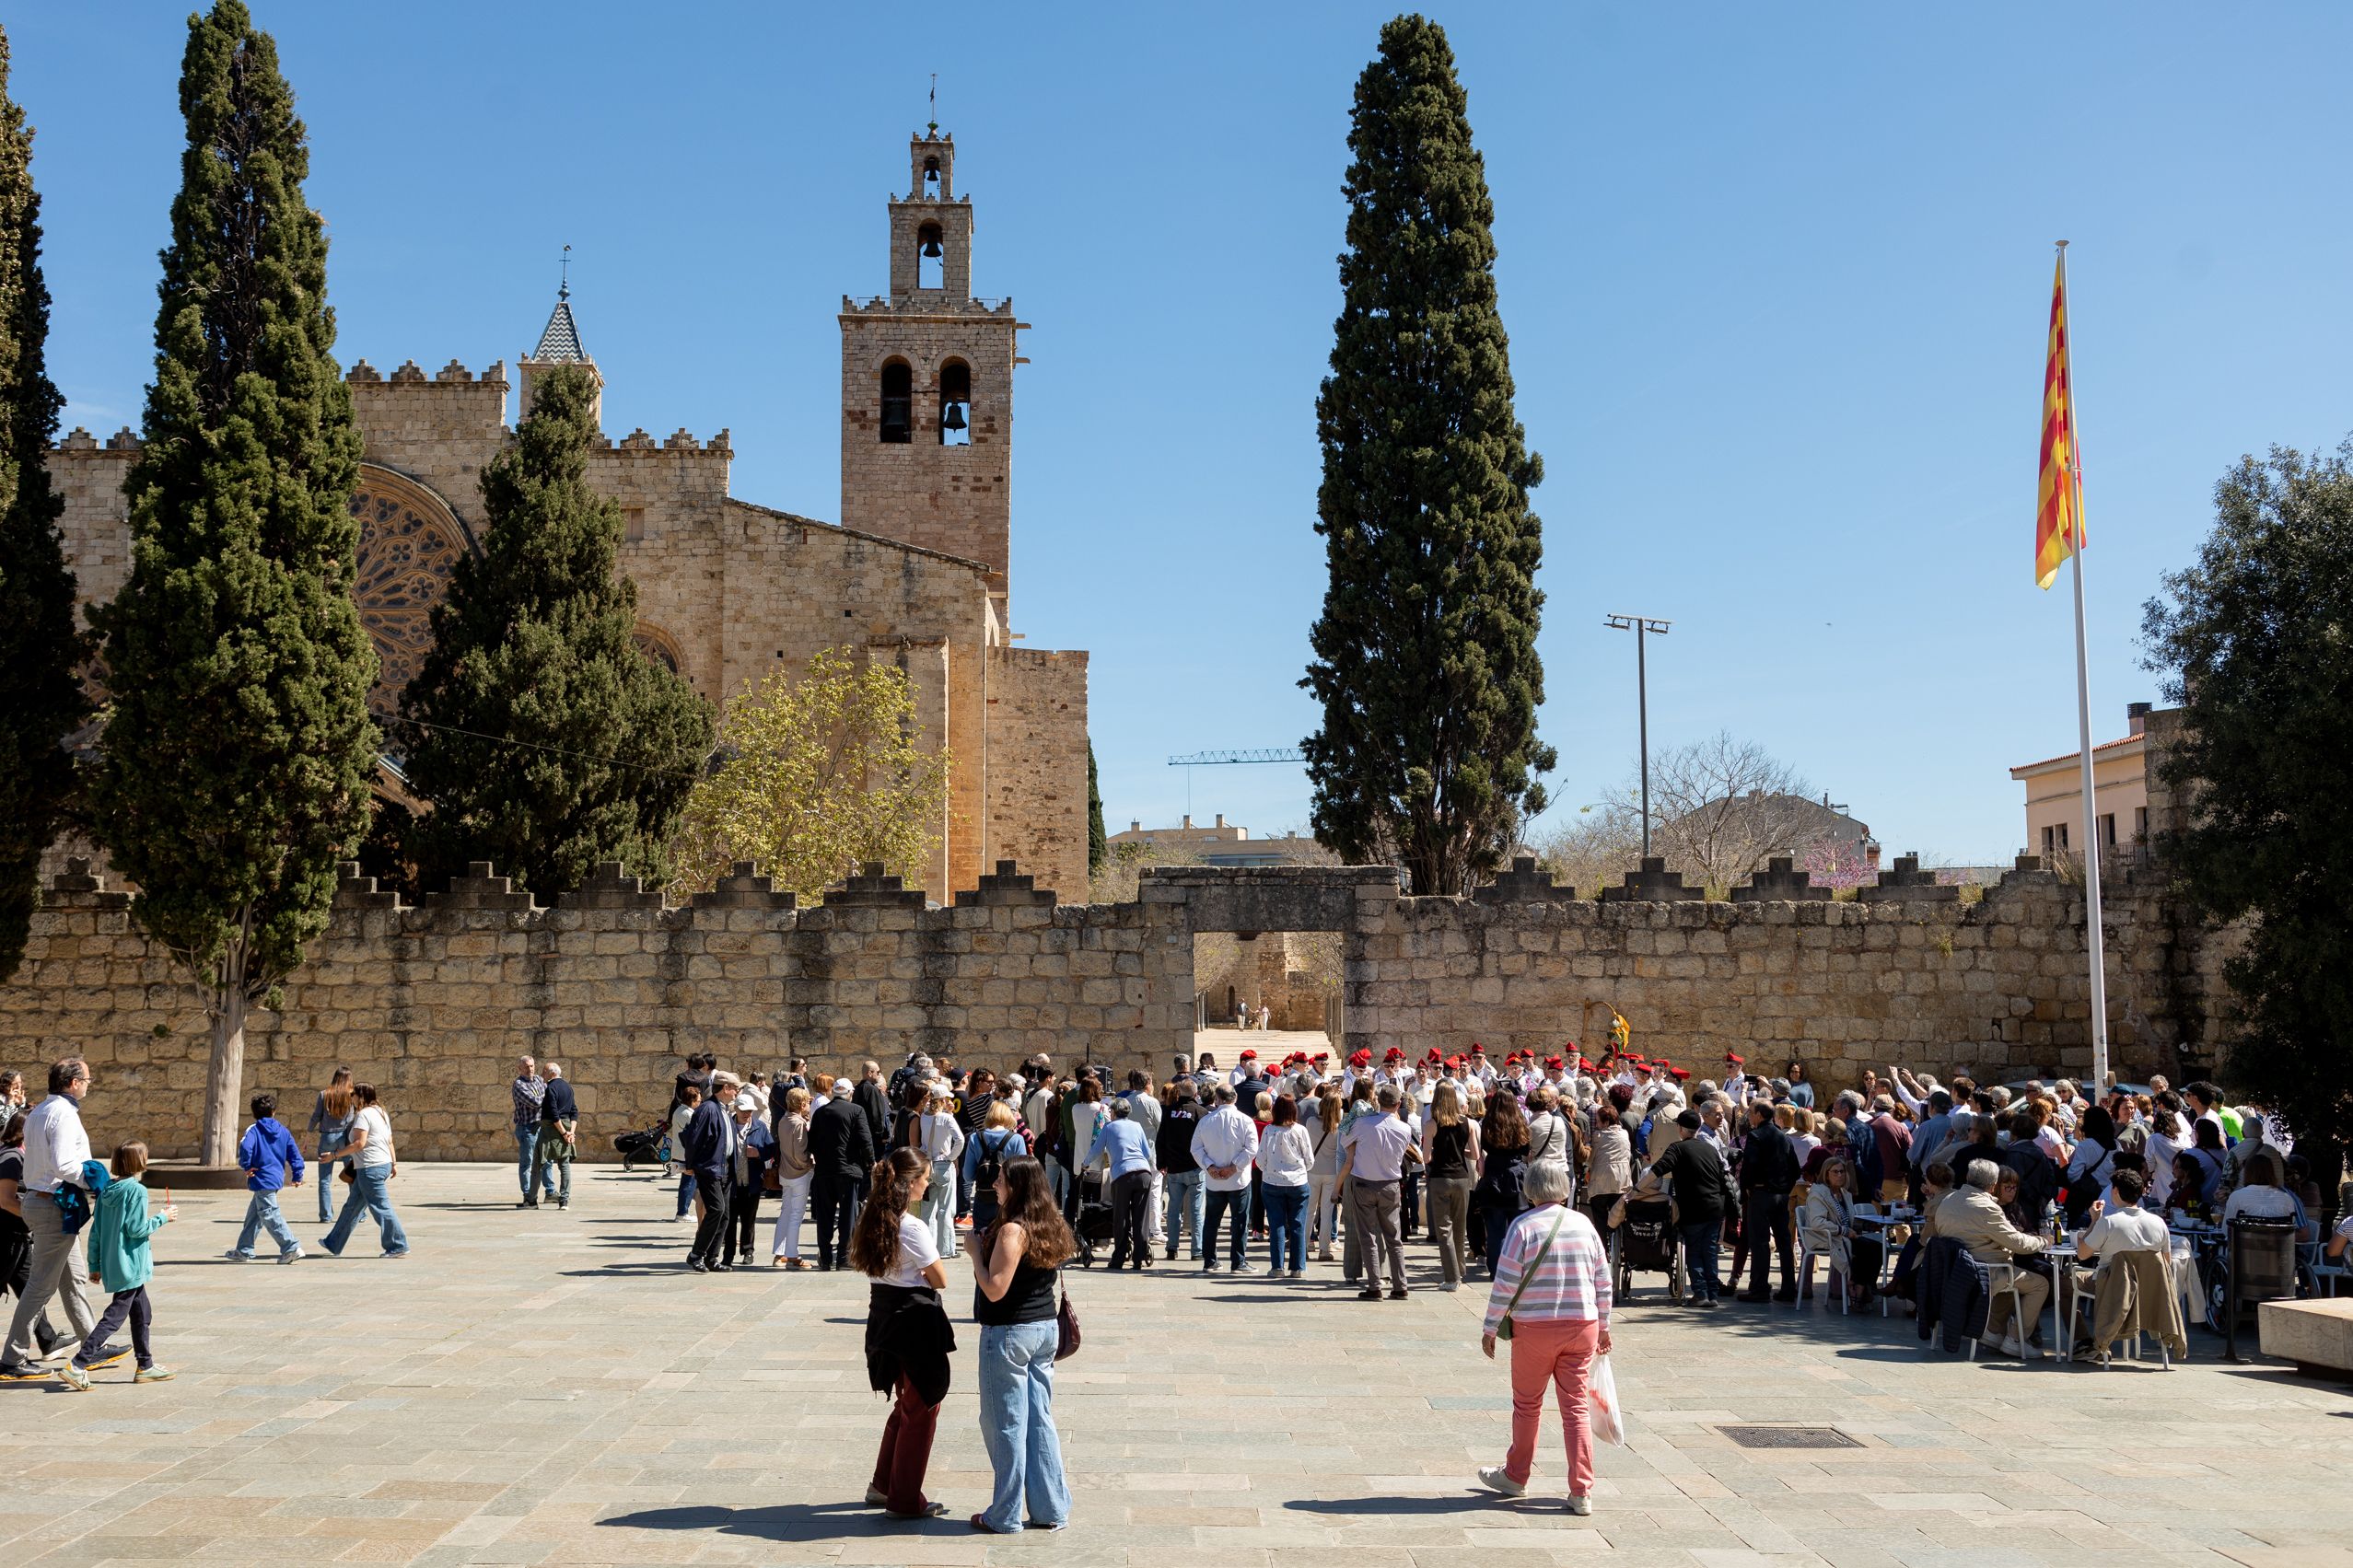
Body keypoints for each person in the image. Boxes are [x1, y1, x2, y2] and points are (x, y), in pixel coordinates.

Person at [1474, 1159, 1613, 1516]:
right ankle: (1581, 1490)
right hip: (1582, 1326)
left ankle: (1517, 1475)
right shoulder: (1584, 1224)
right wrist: (1605, 1324)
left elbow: (1505, 1282)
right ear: (1564, 1188)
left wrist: (1490, 1327)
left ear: (1530, 1189)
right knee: (1576, 1409)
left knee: (1527, 1404)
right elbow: (1603, 1279)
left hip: (1534, 1328)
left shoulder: (1523, 1226)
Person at [966, 1156, 1075, 1533]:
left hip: (1010, 1333)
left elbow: (995, 1289)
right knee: (1040, 1420)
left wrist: (976, 1256)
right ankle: (1050, 1509)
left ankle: (1005, 1513)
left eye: (1000, 1179)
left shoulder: (1013, 1230)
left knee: (1004, 1424)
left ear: (1016, 1186)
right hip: (1044, 1330)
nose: (995, 1185)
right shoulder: (1051, 1222)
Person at [854, 1148, 952, 1520]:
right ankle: (905, 1496)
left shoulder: (873, 1217)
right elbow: (939, 1277)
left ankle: (883, 1484)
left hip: (883, 1316)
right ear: (910, 1183)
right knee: (924, 1405)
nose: (928, 1182)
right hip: (914, 1323)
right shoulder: (910, 1226)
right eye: (925, 1177)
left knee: (907, 1403)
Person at [3, 1059, 98, 1379]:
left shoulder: (41, 1110)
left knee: (74, 1278)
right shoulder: (63, 1114)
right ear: (72, 1082)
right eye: (86, 1078)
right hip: (53, 1203)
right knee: (40, 1286)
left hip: (43, 1201)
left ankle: (92, 1345)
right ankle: (13, 1358)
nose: (89, 1083)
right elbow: (65, 1165)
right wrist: (96, 1182)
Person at [57, 1142, 177, 1390]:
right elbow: (137, 1229)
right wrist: (163, 1217)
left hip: (114, 1263)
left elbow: (96, 1232)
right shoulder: (137, 1191)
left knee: (142, 1312)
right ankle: (78, 1364)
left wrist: (95, 1264)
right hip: (131, 1264)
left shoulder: (107, 1190)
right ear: (138, 1162)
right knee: (114, 1316)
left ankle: (145, 1365)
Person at [1937, 1159, 2050, 1357]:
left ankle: (1994, 1331)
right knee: (2040, 1284)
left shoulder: (1947, 1200)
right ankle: (2016, 1340)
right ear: (1993, 1185)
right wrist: (2044, 1242)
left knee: (2012, 1275)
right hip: (1983, 1273)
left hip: (1953, 1272)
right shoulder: (1987, 1208)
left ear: (1967, 1177)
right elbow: (2019, 1244)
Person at [1641, 1108, 1730, 1306]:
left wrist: (1637, 1188)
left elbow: (1658, 1169)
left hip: (1692, 1208)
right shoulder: (1710, 1148)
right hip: (1714, 1206)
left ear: (1680, 1128)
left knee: (1694, 1249)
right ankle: (1712, 1294)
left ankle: (1700, 1293)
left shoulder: (1677, 1148)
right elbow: (1722, 1176)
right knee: (1709, 1250)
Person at [1340, 1085, 1415, 1301]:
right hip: (1390, 1185)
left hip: (1365, 1183)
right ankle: (1400, 1284)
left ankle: (1374, 1285)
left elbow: (1346, 1142)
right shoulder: (1403, 1128)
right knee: (1394, 1237)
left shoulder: (1363, 1124)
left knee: (1368, 1237)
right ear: (1398, 1104)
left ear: (1378, 1102)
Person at [0, 1110, 64, 1363]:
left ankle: (48, 1340)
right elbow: (5, 1200)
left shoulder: (19, 1155)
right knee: (32, 1288)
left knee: (31, 1288)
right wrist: (36, 1217)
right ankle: (16, 1358)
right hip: (7, 1238)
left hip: (20, 1238)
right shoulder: (12, 1157)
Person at [320, 1085, 409, 1259]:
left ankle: (398, 1245)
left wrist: (334, 1155)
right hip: (380, 1164)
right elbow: (389, 1140)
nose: (351, 1099)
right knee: (352, 1207)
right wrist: (394, 1163)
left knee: (381, 1207)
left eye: (353, 1095)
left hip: (370, 1167)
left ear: (360, 1097)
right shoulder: (381, 1113)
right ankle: (334, 1242)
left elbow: (359, 1143)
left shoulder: (363, 1114)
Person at [226, 1093, 305, 1263]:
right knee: (255, 1215)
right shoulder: (284, 1130)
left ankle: (290, 1247)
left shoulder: (253, 1130)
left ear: (254, 1113)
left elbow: (246, 1148)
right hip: (276, 1178)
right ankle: (244, 1250)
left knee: (269, 1214)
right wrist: (298, 1174)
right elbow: (295, 1154)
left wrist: (246, 1165)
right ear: (274, 1111)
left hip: (262, 1178)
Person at [811, 1079, 879, 1271]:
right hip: (849, 1171)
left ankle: (825, 1257)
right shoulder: (856, 1111)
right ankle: (843, 1257)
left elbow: (812, 1141)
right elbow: (865, 1140)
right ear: (849, 1093)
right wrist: (870, 1162)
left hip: (824, 1171)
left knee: (825, 1215)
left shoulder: (820, 1112)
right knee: (848, 1215)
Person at [1735, 1101, 1799, 1303]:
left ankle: (1760, 1288)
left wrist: (1746, 1189)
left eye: (1751, 1113)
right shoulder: (1783, 1137)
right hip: (1781, 1195)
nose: (1749, 1117)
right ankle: (1789, 1287)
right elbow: (1795, 1169)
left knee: (1760, 1242)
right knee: (1784, 1241)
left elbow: (1749, 1167)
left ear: (1760, 1115)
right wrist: (1784, 1187)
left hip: (1761, 1194)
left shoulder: (1755, 1136)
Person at [1191, 1085, 1259, 1273]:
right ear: (1235, 1098)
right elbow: (1252, 1149)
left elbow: (1195, 1148)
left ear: (1217, 1100)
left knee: (1212, 1221)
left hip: (1215, 1180)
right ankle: (1238, 1261)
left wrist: (1210, 1166)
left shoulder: (1206, 1121)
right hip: (1238, 1179)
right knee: (1239, 1221)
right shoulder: (1245, 1121)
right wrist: (1234, 1167)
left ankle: (1210, 1260)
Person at [680, 1073, 741, 1272]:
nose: (737, 1093)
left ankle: (712, 1258)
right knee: (716, 1209)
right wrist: (691, 1164)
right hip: (709, 1169)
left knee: (724, 1215)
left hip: (724, 1170)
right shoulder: (708, 1109)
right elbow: (694, 1139)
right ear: (725, 1088)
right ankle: (696, 1254)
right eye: (735, 1088)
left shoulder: (724, 1110)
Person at [1422, 1081, 1481, 1291]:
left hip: (1440, 1177)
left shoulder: (1431, 1124)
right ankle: (1460, 1271)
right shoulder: (1469, 1123)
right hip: (1462, 1178)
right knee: (1459, 1227)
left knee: (1443, 1229)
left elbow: (1426, 1157)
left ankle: (1451, 1276)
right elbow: (1474, 1155)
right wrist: (1458, 1152)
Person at [1091, 1097, 1155, 1271]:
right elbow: (1147, 1152)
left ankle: (1119, 1258)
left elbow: (1096, 1149)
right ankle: (1139, 1258)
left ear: (1113, 1112)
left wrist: (1084, 1164)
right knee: (1141, 1218)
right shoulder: (1137, 1126)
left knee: (1121, 1218)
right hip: (1143, 1173)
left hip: (1122, 1175)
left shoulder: (1109, 1127)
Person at [1255, 1095, 1314, 1279]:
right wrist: (1299, 1170)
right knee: (1298, 1224)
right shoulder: (1300, 1130)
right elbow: (1309, 1160)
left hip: (1273, 1182)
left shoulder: (1269, 1131)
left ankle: (1277, 1266)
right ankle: (1297, 1267)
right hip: (1297, 1182)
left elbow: (1260, 1159)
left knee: (1276, 1224)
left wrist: (1270, 1170)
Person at [1475, 1091, 1532, 1279]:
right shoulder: (1520, 1123)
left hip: (1493, 1176)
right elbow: (1526, 1149)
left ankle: (1496, 1270)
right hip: (1515, 1175)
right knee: (1518, 1229)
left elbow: (1483, 1148)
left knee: (1495, 1230)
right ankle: (1517, 1269)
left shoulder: (1488, 1124)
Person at [1798, 1154, 1859, 1307]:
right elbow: (1818, 1223)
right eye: (1835, 1172)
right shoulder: (1818, 1193)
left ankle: (1862, 1286)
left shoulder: (1845, 1194)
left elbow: (1849, 1219)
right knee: (1859, 1248)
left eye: (1842, 1171)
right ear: (1826, 1174)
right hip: (1822, 1236)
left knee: (1874, 1247)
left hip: (1840, 1235)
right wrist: (1843, 1230)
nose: (1840, 1175)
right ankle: (1854, 1287)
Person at [723, 1086, 774, 1269]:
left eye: (750, 1111)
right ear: (736, 1109)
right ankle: (727, 1254)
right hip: (731, 1181)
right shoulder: (727, 1125)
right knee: (729, 1219)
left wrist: (758, 1153)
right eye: (744, 1111)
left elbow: (770, 1149)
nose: (747, 1114)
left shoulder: (759, 1127)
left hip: (752, 1181)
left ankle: (748, 1251)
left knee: (749, 1219)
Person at [1158, 1078, 1206, 1262]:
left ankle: (1172, 1247)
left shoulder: (1169, 1112)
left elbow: (1161, 1139)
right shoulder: (1201, 1113)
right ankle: (1197, 1249)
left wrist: (1161, 1163)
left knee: (1173, 1209)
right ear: (1195, 1094)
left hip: (1174, 1168)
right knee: (1196, 1211)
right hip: (1195, 1167)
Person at [917, 1084, 967, 1260]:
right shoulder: (947, 1119)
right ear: (944, 1100)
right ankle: (946, 1249)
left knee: (928, 1209)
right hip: (943, 1164)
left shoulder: (923, 1116)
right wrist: (952, 1156)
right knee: (946, 1209)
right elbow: (959, 1139)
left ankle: (927, 1248)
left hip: (928, 1165)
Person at [962, 1100, 1026, 1237]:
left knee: (982, 1242)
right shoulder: (1017, 1140)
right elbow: (1022, 1175)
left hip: (983, 1198)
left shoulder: (975, 1138)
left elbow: (968, 1175)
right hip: (1009, 1199)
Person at [770, 1086, 816, 1268]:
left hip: (785, 1172)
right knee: (796, 1215)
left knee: (786, 1212)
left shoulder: (783, 1120)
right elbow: (799, 1152)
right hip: (799, 1173)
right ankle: (792, 1254)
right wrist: (808, 1164)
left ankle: (779, 1252)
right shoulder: (798, 1123)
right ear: (802, 1103)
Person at [307, 1067, 356, 1224]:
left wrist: (308, 1135)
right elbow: (354, 1117)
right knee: (352, 1176)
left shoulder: (324, 1094)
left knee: (324, 1180)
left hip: (327, 1136)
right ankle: (358, 1213)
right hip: (346, 1138)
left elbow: (316, 1116)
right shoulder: (351, 1095)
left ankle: (326, 1215)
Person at [1305, 1086, 1345, 1264]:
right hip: (1331, 1172)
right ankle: (1324, 1248)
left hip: (1312, 1170)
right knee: (1328, 1212)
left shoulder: (1311, 1122)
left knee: (1309, 1211)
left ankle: (1305, 1245)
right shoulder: (1339, 1127)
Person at [531, 1062, 579, 1210]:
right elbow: (574, 1111)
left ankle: (531, 1200)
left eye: (544, 1071)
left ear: (552, 1073)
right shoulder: (568, 1087)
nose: (542, 1074)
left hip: (550, 1131)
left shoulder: (550, 1088)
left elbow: (553, 1114)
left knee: (538, 1164)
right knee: (564, 1165)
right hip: (565, 1127)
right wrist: (571, 1132)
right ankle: (564, 1200)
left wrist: (565, 1133)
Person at [509, 1055, 547, 1208]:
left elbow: (544, 1096)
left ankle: (550, 1192)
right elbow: (535, 1102)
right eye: (526, 1067)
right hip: (527, 1128)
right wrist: (545, 1097)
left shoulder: (538, 1079)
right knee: (527, 1162)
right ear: (520, 1068)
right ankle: (527, 1194)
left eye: (531, 1066)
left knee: (546, 1161)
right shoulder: (518, 1084)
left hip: (541, 1125)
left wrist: (544, 1097)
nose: (530, 1069)